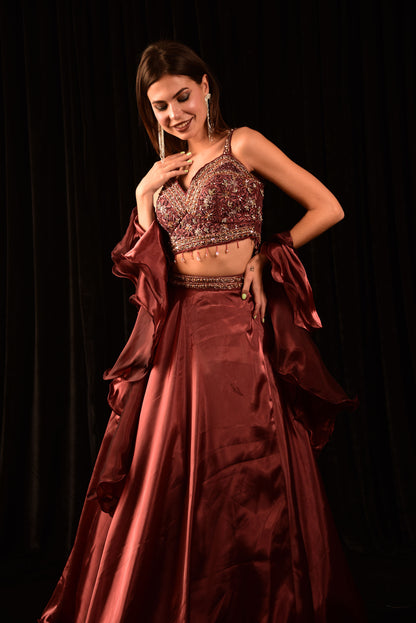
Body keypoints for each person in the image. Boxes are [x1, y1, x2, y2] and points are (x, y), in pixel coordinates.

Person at [39, 40, 367, 622]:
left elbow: (328, 206)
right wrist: (144, 195)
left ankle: (249, 596)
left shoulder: (242, 144)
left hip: (235, 323)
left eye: (182, 97)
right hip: (178, 327)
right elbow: (148, 266)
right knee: (165, 467)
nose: (174, 114)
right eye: (160, 106)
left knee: (242, 461)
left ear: (206, 87)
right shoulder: (163, 171)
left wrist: (269, 257)